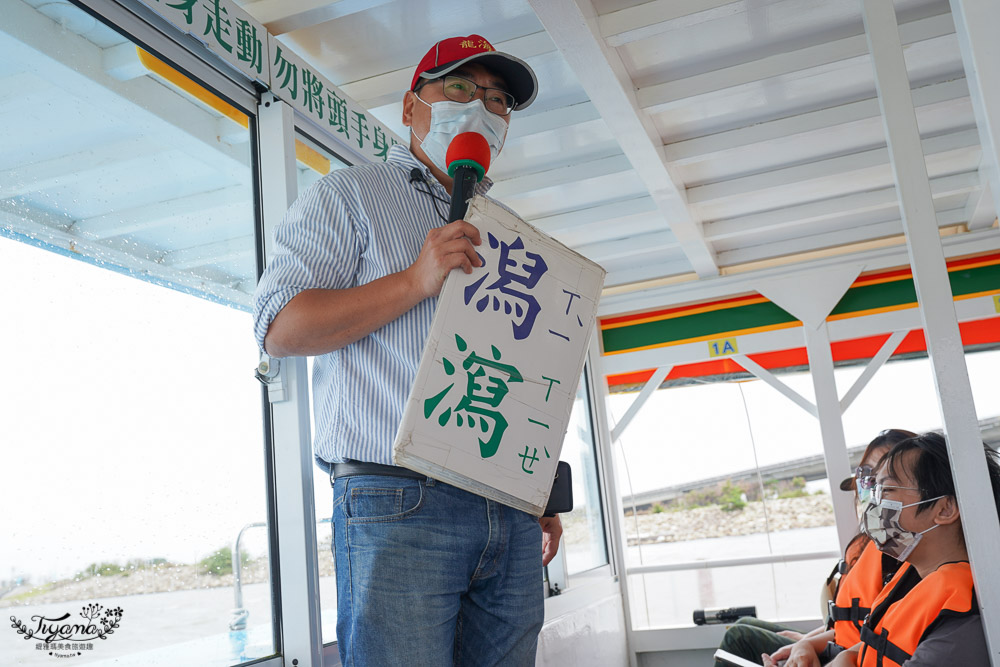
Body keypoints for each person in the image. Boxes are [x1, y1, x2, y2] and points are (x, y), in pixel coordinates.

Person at [252, 34, 561, 666]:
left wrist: (535, 490)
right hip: (399, 499)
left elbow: (517, 370)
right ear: (409, 107)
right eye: (459, 88)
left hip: (508, 507)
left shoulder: (509, 235)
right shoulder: (348, 195)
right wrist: (415, 280)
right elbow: (280, 328)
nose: (482, 107)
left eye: (499, 99)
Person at [765, 432, 1000, 667]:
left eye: (886, 491)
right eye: (874, 491)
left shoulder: (961, 621)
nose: (874, 506)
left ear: (945, 509)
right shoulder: (913, 579)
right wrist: (844, 655)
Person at [715, 429, 915, 667]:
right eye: (867, 480)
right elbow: (851, 618)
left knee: (738, 638)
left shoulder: (909, 554)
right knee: (743, 624)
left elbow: (881, 633)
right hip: (837, 642)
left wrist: (811, 644)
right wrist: (806, 641)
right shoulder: (872, 545)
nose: (871, 490)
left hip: (847, 654)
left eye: (885, 481)